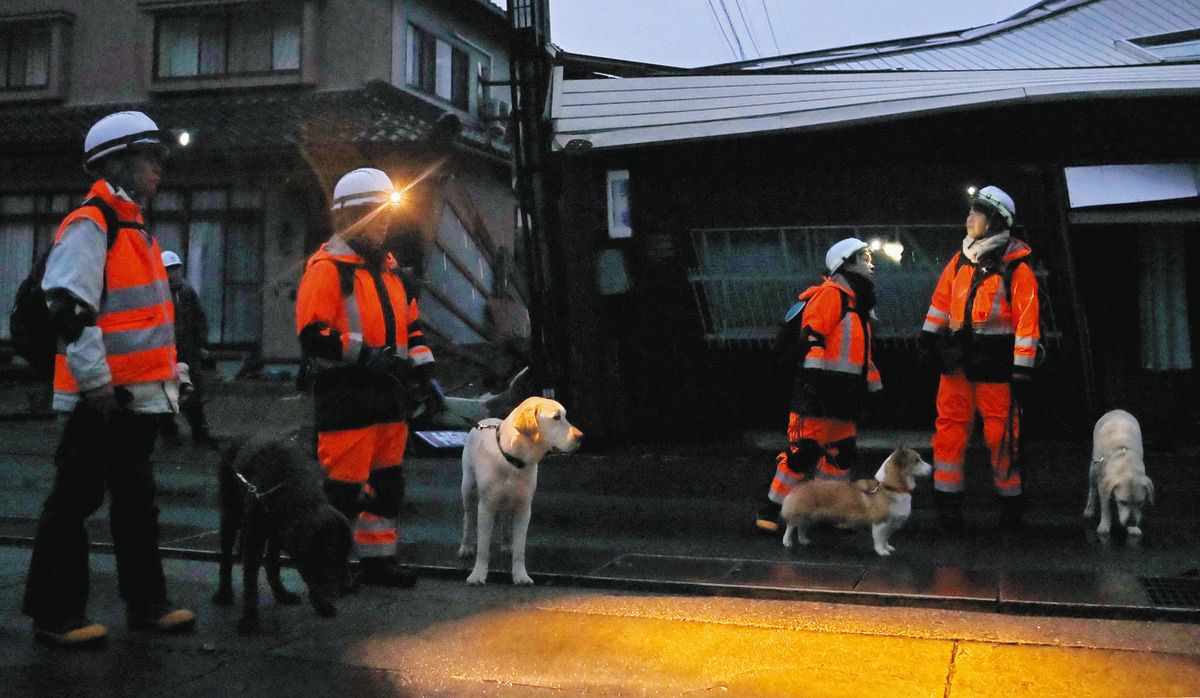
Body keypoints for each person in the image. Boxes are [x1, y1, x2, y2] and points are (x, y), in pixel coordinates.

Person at [22, 111, 196, 646]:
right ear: (117, 163)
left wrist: (175, 373)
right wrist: (96, 383)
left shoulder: (133, 228)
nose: (158, 171)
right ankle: (55, 614)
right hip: (104, 399)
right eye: (149, 160)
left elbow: (146, 321)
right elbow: (69, 308)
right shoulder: (91, 224)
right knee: (76, 502)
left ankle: (146, 604)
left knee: (135, 502)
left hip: (133, 397)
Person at [296, 167, 444, 587]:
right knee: (342, 491)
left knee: (385, 485)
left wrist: (426, 372)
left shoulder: (392, 273)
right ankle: (330, 567)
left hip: (389, 398)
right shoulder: (327, 269)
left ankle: (379, 563)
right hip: (346, 398)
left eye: (386, 215)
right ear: (348, 219)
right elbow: (313, 334)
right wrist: (367, 356)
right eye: (373, 214)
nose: (383, 224)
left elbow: (412, 331)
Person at [919, 185, 1039, 530]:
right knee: (949, 432)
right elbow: (941, 302)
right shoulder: (960, 260)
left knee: (1001, 435)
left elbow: (1028, 323)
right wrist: (928, 338)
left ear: (996, 220)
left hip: (997, 364)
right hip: (957, 360)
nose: (969, 217)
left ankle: (1011, 507)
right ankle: (947, 506)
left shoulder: (1017, 269)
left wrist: (1021, 368)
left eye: (977, 212)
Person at [755, 238, 882, 532]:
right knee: (803, 454)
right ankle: (771, 510)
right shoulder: (831, 296)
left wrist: (873, 387)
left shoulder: (858, 305)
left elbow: (863, 357)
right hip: (818, 394)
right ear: (846, 262)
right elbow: (814, 336)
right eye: (864, 258)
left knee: (841, 454)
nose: (870, 263)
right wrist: (813, 381)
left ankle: (825, 509)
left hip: (844, 397)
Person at [160, 250, 216, 446]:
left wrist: (201, 343)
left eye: (176, 269)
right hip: (165, 353)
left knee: (193, 394)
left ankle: (200, 433)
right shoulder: (158, 294)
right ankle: (169, 434)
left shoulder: (187, 292)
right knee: (166, 395)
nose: (173, 274)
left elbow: (200, 319)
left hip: (188, 351)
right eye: (169, 270)